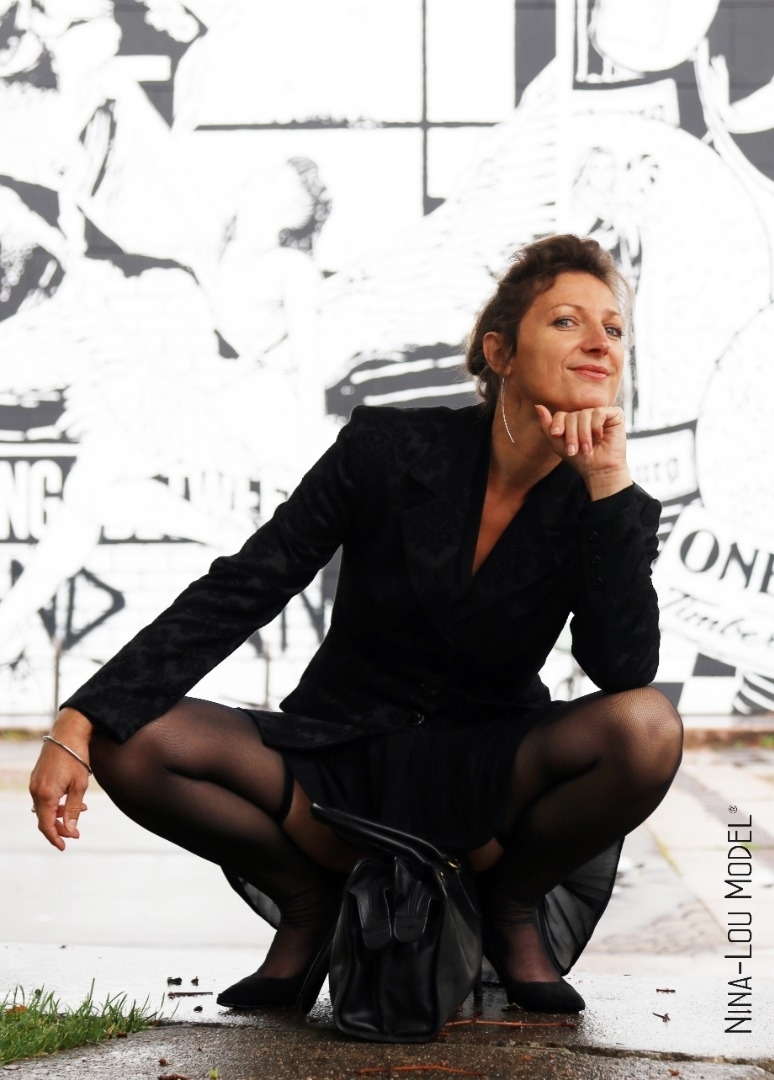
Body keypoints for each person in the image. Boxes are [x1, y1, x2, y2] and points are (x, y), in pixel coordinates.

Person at [29, 234, 683, 1015]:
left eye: (615, 329)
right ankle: (308, 902)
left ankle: (509, 906)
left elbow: (621, 668)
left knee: (648, 727)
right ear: (500, 352)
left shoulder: (606, 500)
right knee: (130, 738)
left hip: (487, 764)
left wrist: (607, 484)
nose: (600, 342)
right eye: (568, 320)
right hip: (337, 748)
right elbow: (251, 582)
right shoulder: (387, 449)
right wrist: (82, 715)